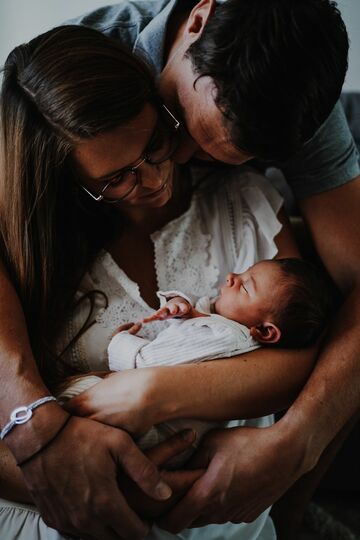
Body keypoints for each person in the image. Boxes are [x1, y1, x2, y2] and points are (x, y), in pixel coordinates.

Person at [0, 0, 358, 537]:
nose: (177, 164)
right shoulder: (49, 91)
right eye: (174, 124)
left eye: (213, 156)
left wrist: (293, 446)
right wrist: (35, 429)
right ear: (197, 18)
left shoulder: (291, 106)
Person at [55, 257, 334, 469]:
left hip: (158, 434)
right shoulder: (233, 330)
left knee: (81, 394)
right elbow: (201, 321)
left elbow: (147, 364)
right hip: (166, 431)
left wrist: (120, 342)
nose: (231, 277)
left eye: (246, 286)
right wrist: (183, 306)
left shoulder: (222, 336)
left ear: (264, 331)